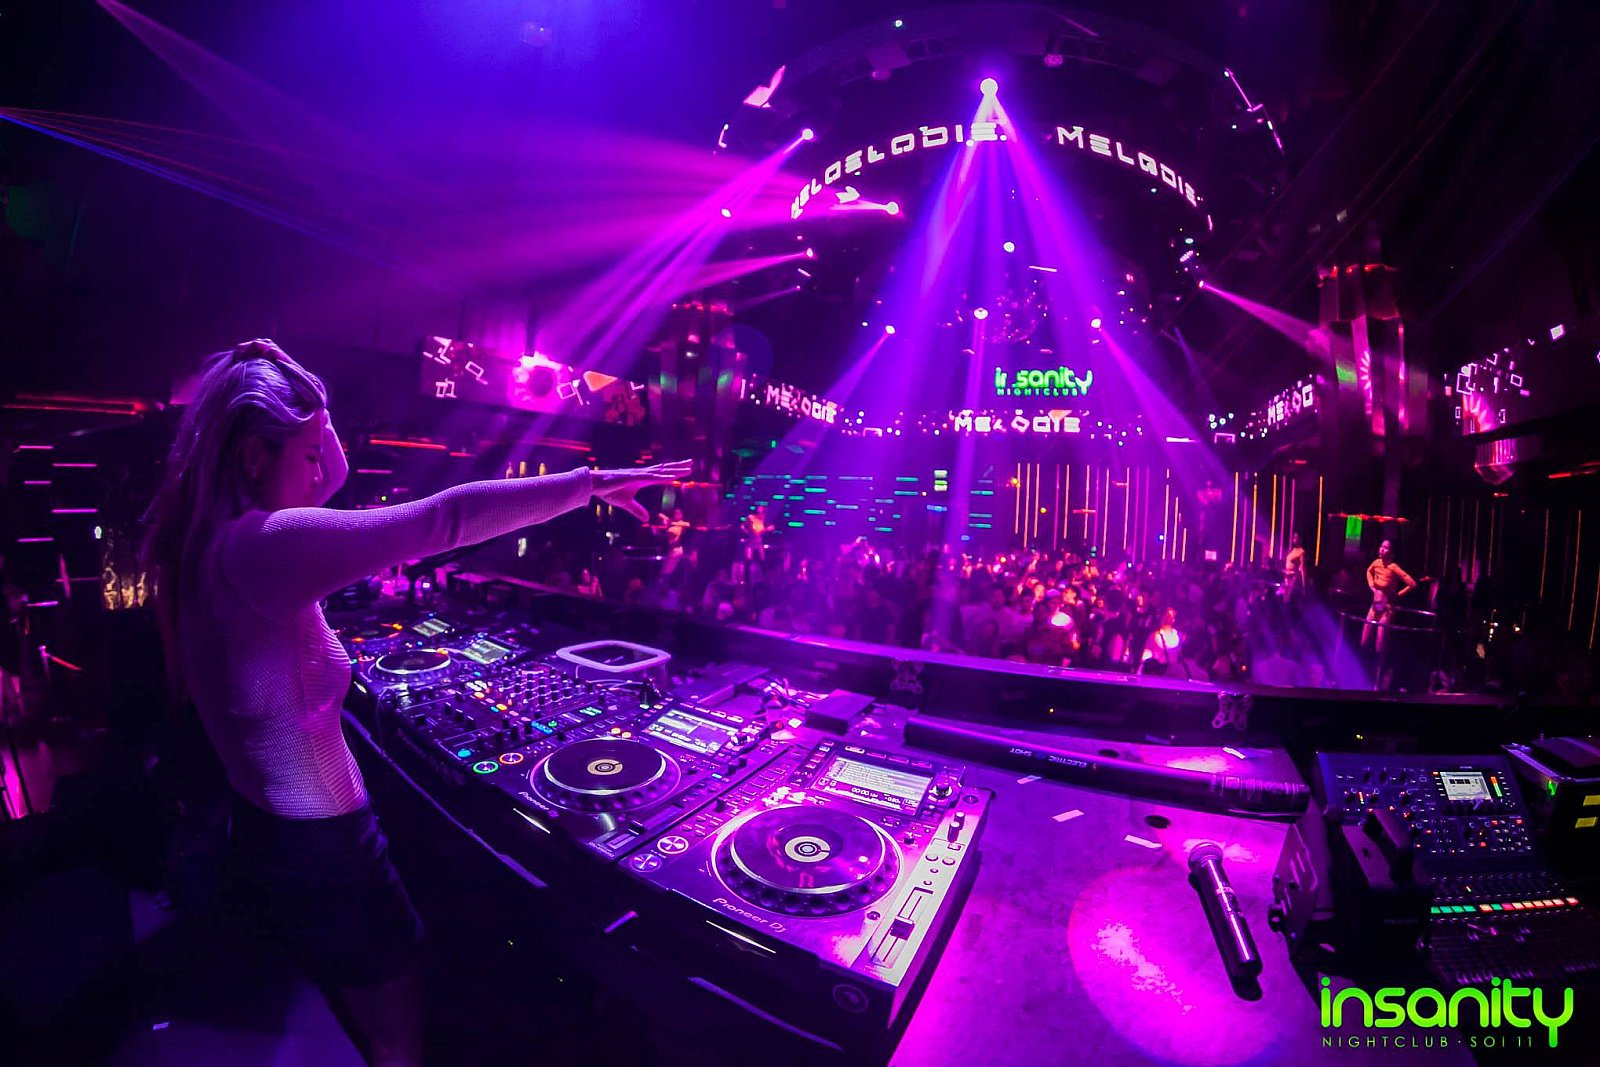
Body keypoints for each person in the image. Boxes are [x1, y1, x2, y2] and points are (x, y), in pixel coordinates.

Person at [141, 339, 685, 1067]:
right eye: (305, 454)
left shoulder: (205, 543)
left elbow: (331, 477)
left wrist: (304, 397)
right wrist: (588, 484)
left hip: (276, 835)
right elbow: (444, 520)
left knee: (353, 1007)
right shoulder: (262, 546)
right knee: (396, 1036)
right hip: (328, 849)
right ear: (251, 457)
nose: (321, 471)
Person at [1361, 537, 1417, 657]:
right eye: (1381, 546)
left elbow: (1412, 584)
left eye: (1386, 548)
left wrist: (1397, 595)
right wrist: (1371, 586)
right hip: (1374, 607)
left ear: (1392, 553)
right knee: (1364, 641)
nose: (1382, 549)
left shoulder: (1393, 567)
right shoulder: (1376, 563)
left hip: (1386, 609)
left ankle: (1379, 667)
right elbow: (1368, 572)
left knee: (1380, 645)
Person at [1281, 532, 1307, 603]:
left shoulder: (1301, 552)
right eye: (1294, 537)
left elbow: (1302, 568)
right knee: (1284, 597)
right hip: (1286, 576)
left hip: (1293, 578)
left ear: (1300, 539)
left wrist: (1304, 585)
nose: (1294, 539)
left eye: (1296, 537)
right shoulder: (1292, 550)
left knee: (1289, 597)